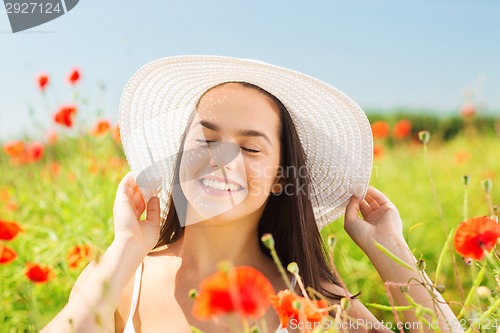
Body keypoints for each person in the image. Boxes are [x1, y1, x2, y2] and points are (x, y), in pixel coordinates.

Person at [41, 56, 462, 333]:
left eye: (249, 148)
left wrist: (390, 248)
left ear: (281, 177)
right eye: (205, 140)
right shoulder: (122, 277)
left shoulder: (311, 300)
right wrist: (128, 246)